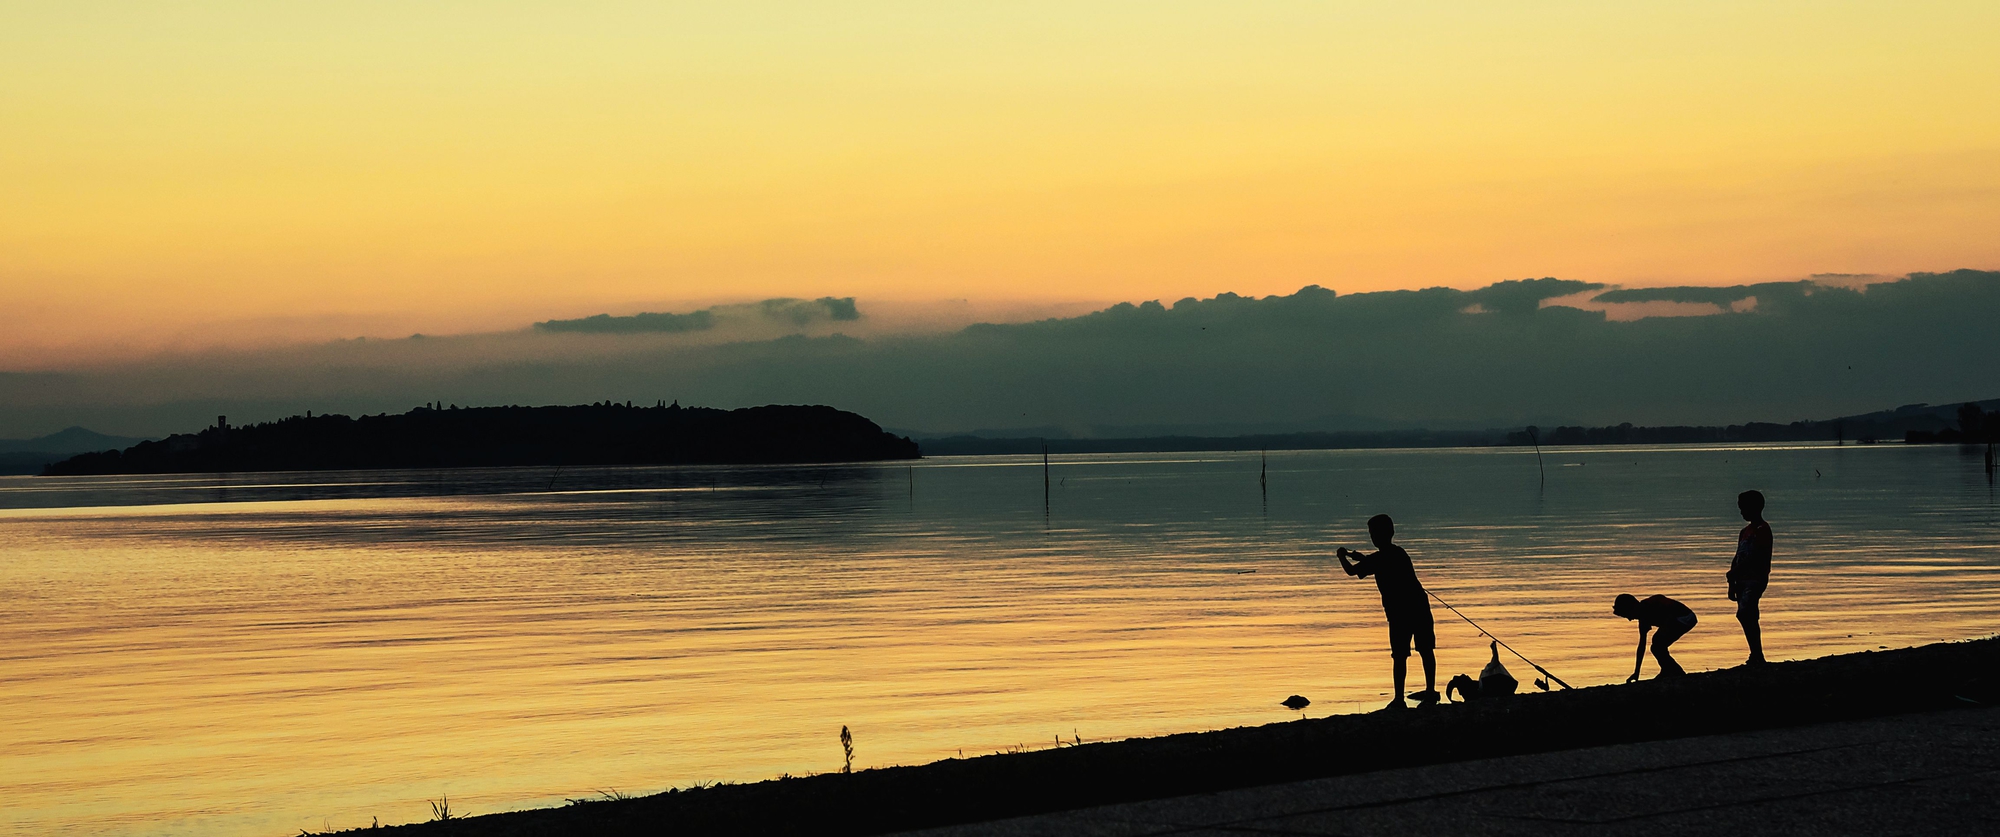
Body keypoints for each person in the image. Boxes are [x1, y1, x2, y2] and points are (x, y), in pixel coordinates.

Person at [1337, 514, 1438, 709]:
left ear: (1383, 534)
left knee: (1400, 655)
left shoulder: (1379, 558)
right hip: (1419, 606)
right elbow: (1380, 564)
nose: (1372, 537)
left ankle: (1400, 699)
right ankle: (1430, 693)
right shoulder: (1398, 552)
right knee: (1425, 650)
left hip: (1400, 613)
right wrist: (1361, 558)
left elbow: (1352, 571)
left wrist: (1342, 556)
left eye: (1373, 533)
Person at [1727, 489, 1772, 665]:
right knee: (1745, 614)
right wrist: (1732, 580)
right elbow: (1738, 555)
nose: (1741, 512)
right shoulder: (1744, 531)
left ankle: (1757, 654)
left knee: (1747, 612)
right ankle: (1755, 654)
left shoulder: (1763, 529)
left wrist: (1735, 572)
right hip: (1741, 579)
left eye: (1743, 508)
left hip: (1755, 578)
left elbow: (1756, 556)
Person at [1613, 593, 1696, 680]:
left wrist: (1664, 630)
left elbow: (1668, 608)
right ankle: (1668, 670)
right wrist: (1636, 672)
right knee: (1657, 646)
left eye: (1627, 615)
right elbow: (1642, 645)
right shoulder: (1643, 617)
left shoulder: (1648, 607)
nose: (1630, 619)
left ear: (1632, 608)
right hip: (1682, 619)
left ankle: (1674, 672)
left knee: (1657, 643)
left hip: (1684, 617)